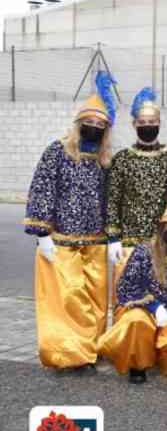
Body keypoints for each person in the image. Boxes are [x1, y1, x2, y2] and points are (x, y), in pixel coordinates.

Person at [24, 71, 116, 373]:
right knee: (70, 299)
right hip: (62, 241)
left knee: (95, 299)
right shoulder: (58, 151)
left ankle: (90, 349)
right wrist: (42, 234)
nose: (94, 127)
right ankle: (70, 353)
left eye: (100, 125)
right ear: (79, 124)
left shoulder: (105, 160)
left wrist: (113, 235)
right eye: (89, 123)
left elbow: (111, 199)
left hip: (96, 242)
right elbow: (42, 188)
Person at [97, 173, 167, 383]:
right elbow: (126, 287)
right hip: (143, 312)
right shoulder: (145, 251)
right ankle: (137, 364)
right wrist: (154, 307)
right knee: (136, 321)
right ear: (162, 229)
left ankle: (157, 352)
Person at [106, 86, 167, 296]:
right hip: (129, 242)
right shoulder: (122, 158)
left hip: (162, 244)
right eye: (142, 123)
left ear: (159, 124)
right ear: (134, 124)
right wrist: (113, 238)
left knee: (162, 297)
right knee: (129, 296)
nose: (147, 126)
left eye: (152, 123)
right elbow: (113, 199)